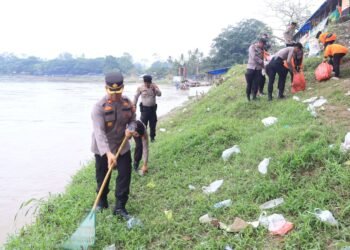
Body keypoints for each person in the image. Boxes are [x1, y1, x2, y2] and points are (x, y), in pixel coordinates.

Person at [91, 71, 136, 220]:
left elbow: (133, 120)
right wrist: (108, 153)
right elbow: (99, 133)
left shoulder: (127, 103)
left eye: (118, 92)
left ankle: (120, 207)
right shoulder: (98, 108)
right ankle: (101, 202)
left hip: (122, 146)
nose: (115, 95)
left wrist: (131, 128)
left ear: (123, 88)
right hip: (102, 148)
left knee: (124, 175)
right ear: (106, 88)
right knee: (102, 175)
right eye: (112, 92)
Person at [134, 75, 161, 142]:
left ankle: (152, 138)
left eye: (148, 83)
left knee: (153, 124)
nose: (147, 84)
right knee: (143, 125)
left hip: (153, 109)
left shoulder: (154, 86)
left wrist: (155, 89)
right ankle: (142, 138)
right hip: (144, 110)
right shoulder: (140, 87)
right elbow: (136, 97)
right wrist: (134, 105)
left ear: (150, 82)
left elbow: (160, 94)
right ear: (144, 82)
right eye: (146, 83)